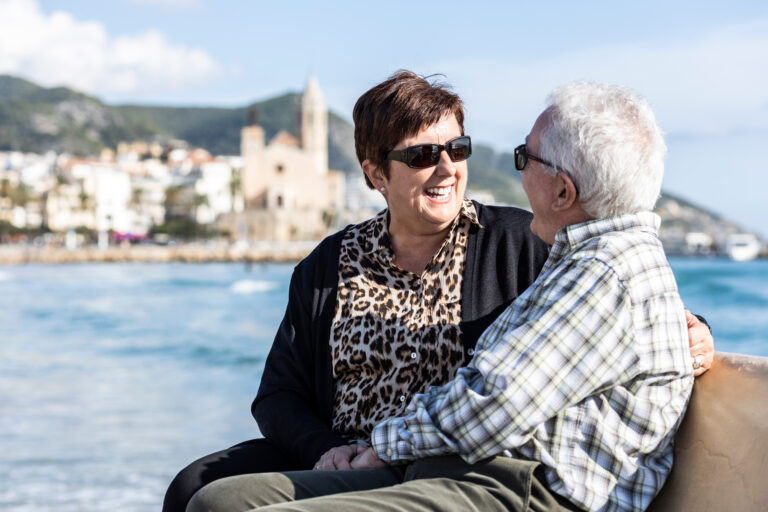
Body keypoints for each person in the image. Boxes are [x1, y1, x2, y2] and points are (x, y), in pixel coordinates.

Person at [164, 73, 714, 512]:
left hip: (440, 458)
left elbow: (614, 309)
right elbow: (278, 394)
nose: (447, 168)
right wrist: (326, 453)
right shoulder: (328, 265)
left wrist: (695, 331)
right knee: (194, 488)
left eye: (458, 148)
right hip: (344, 456)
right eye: (423, 155)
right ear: (376, 174)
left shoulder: (521, 241)